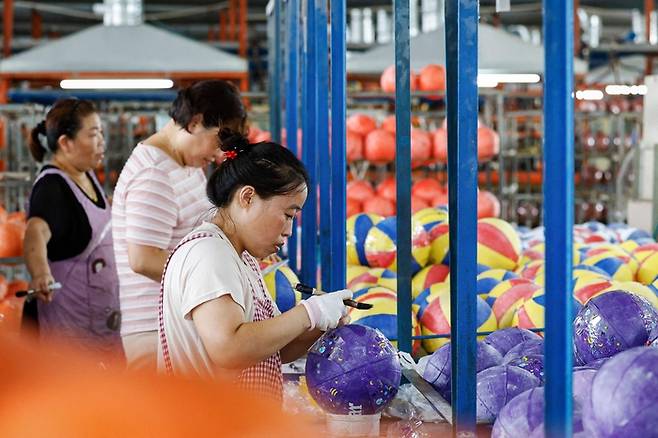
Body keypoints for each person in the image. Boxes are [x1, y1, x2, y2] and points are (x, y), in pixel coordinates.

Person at [158, 134, 352, 400]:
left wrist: (320, 324)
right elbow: (229, 348)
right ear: (247, 197)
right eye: (287, 215)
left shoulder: (242, 258)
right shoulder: (209, 254)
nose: (289, 231)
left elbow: (273, 350)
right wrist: (308, 313)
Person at [112, 80, 247, 370]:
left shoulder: (184, 166)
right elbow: (143, 258)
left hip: (177, 326)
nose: (219, 154)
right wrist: (210, 284)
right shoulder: (153, 174)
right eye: (218, 141)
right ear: (196, 122)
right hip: (154, 332)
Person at [23, 98, 122, 359]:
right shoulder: (51, 187)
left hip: (96, 326)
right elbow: (36, 231)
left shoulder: (85, 175)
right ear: (66, 143)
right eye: (92, 134)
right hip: (65, 333)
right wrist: (40, 272)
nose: (101, 141)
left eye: (101, 132)